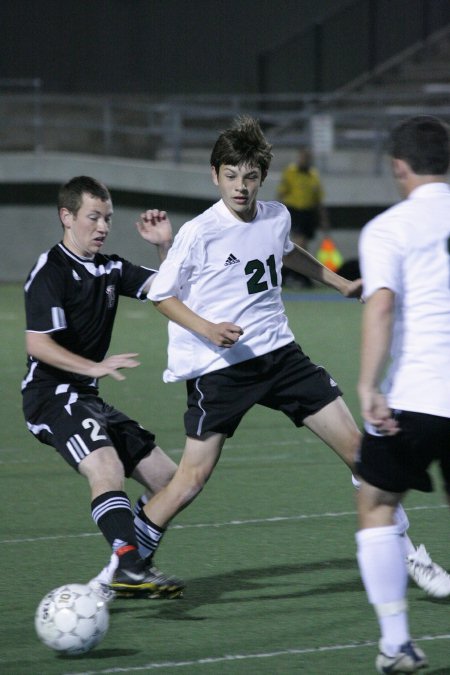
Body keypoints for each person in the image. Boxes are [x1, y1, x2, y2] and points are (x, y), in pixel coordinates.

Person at [123, 115, 445, 601]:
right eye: (231, 175)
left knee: (363, 456)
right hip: (222, 370)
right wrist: (208, 328)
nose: (241, 187)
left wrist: (338, 281)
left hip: (281, 357)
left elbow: (286, 250)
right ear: (215, 175)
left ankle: (409, 556)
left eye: (250, 176)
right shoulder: (199, 232)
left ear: (262, 177)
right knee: (190, 480)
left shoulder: (275, 216)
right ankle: (126, 561)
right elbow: (163, 295)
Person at [21, 175, 184, 602]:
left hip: (87, 397)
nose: (102, 227)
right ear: (67, 216)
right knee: (105, 467)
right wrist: (93, 366)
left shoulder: (111, 267)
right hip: (50, 396)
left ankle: (121, 567)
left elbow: (166, 289)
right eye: (93, 217)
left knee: (170, 479)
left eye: (107, 218)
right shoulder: (50, 271)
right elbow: (38, 343)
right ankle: (130, 564)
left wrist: (162, 246)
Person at [355, 115, 450, 673]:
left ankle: (397, 643)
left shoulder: (389, 227)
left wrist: (368, 384)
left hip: (416, 395)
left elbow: (382, 305)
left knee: (376, 503)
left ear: (399, 167)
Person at [277, 145, 330, 288]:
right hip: (294, 211)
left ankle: (297, 276)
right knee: (298, 244)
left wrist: (323, 219)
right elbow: (281, 193)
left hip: (308, 214)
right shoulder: (290, 172)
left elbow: (318, 200)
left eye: (307, 157)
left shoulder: (313, 175)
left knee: (304, 247)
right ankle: (291, 275)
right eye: (303, 156)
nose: (305, 159)